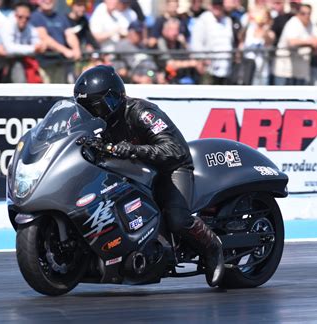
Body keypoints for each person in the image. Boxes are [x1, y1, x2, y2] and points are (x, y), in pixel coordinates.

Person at [73, 64, 225, 287]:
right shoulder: (95, 121)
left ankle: (212, 246)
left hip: (169, 168)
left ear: (114, 99)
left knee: (177, 219)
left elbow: (174, 150)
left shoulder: (142, 113)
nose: (93, 113)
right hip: (132, 170)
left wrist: (134, 150)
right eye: (86, 108)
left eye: (97, 106)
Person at [30, 0, 81, 83]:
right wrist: (65, 51)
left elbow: (70, 34)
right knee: (45, 93)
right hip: (43, 65)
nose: (47, 1)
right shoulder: (35, 16)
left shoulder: (61, 17)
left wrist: (76, 49)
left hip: (60, 63)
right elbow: (44, 38)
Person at [273, 3, 317, 85]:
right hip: (285, 71)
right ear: (298, 14)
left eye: (308, 13)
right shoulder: (293, 23)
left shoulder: (310, 24)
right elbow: (292, 42)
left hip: (301, 72)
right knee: (282, 97)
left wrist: (316, 42)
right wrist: (310, 42)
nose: (306, 16)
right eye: (303, 13)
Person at [0, 1, 46, 83]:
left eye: (27, 18)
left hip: (21, 61)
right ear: (15, 15)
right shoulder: (7, 24)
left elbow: (37, 44)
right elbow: (9, 49)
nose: (24, 20)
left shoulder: (30, 27)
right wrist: (33, 49)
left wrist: (40, 47)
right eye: (20, 17)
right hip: (0, 64)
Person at [190, 0, 234, 85]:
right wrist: (202, 58)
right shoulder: (203, 19)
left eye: (219, 5)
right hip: (209, 69)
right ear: (211, 6)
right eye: (215, 5)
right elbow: (196, 44)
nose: (217, 8)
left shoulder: (227, 20)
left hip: (226, 68)